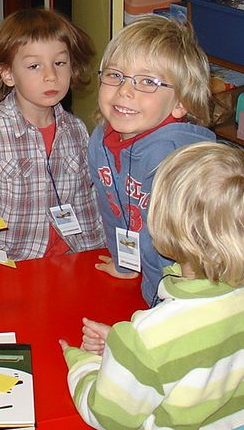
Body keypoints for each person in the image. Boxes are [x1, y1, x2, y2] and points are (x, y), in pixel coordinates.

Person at [42, 142, 244, 430]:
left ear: (167, 223)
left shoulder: (149, 336)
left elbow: (107, 417)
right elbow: (200, 348)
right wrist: (121, 345)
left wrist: (83, 365)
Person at [0, 8, 104, 262]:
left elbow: (85, 202)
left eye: (59, 63)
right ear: (8, 74)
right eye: (34, 66)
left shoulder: (76, 130)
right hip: (11, 262)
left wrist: (97, 254)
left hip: (69, 256)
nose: (51, 76)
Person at [88, 15, 216, 305]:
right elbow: (113, 210)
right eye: (115, 75)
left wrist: (177, 301)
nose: (125, 90)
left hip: (195, 288)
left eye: (147, 81)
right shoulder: (99, 142)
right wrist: (125, 262)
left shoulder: (177, 159)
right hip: (152, 280)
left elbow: (201, 245)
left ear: (181, 103)